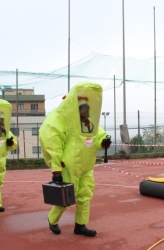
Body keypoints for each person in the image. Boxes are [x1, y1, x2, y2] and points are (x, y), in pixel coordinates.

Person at [39, 81, 111, 237]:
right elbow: (52, 141)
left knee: (85, 195)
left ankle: (80, 225)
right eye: (83, 108)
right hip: (69, 164)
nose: (86, 111)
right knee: (66, 197)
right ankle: (52, 219)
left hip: (86, 164)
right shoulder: (61, 119)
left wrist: (104, 141)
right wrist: (56, 167)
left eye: (87, 108)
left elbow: (96, 137)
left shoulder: (87, 123)